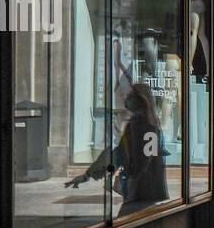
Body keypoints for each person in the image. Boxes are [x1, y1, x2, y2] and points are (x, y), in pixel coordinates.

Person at [66, 82, 169, 217]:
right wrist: (89, 174)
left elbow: (140, 161)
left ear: (140, 101)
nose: (127, 99)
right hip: (144, 192)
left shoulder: (142, 126)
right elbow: (119, 154)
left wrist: (133, 181)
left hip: (141, 193)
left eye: (131, 96)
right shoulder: (147, 124)